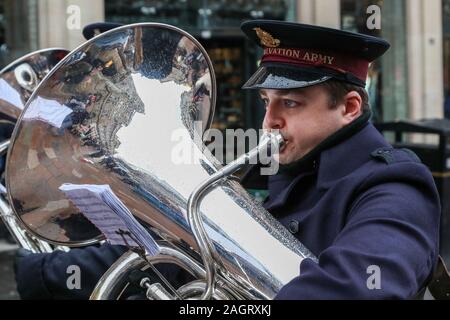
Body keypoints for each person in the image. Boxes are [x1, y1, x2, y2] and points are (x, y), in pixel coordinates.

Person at [14, 20, 440, 300]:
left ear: (349, 107)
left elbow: (358, 290)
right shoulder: (272, 169)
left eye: (290, 104)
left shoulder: (394, 185)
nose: (269, 121)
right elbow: (186, 265)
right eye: (268, 102)